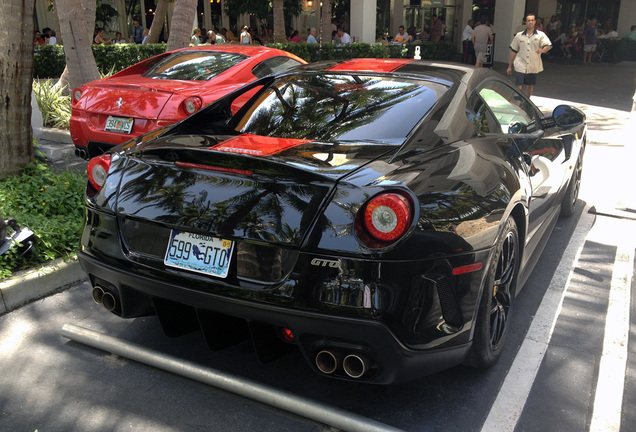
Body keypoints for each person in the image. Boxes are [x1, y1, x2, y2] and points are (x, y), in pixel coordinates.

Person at [507, 12, 552, 98]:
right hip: (521, 63)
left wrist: (542, 50)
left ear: (535, 22)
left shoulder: (541, 35)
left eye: (532, 20)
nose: (530, 22)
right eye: (528, 20)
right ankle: (516, 99)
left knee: (530, 85)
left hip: (532, 64)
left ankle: (527, 100)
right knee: (519, 84)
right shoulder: (519, 36)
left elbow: (547, 45)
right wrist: (509, 66)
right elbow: (513, 50)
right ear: (525, 22)